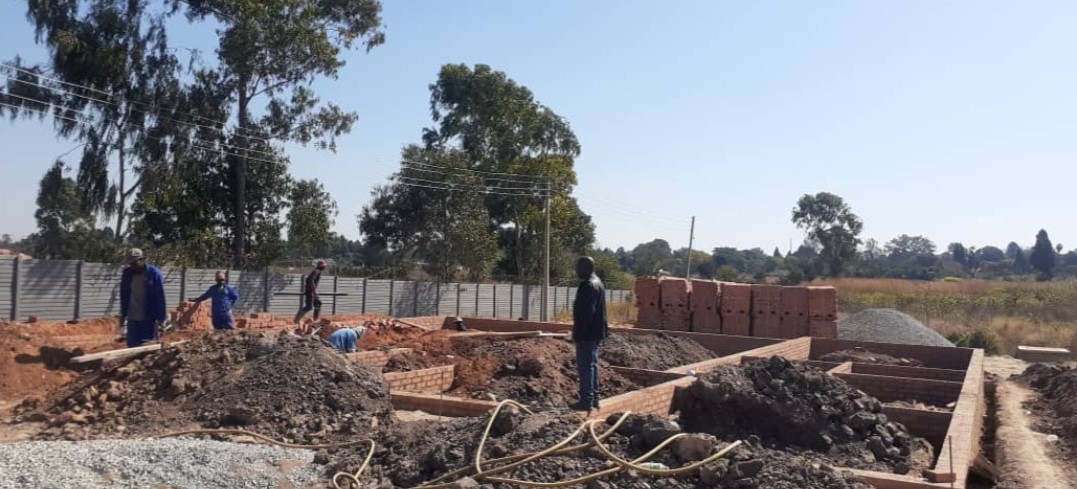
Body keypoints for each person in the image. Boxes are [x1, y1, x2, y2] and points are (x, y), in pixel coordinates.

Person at [570, 256, 608, 411]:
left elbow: (586, 313)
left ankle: (586, 401)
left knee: (586, 367)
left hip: (587, 333)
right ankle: (594, 399)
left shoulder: (588, 285)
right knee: (592, 365)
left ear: (587, 268)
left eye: (579, 267)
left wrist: (579, 333)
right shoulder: (598, 283)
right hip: (597, 332)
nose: (576, 270)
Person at [118, 248, 168, 347]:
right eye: (130, 264)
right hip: (132, 318)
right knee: (132, 346)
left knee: (147, 346)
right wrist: (123, 315)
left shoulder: (154, 274)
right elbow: (124, 295)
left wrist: (162, 319)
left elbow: (160, 297)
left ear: (142, 260)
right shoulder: (127, 274)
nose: (133, 267)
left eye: (134, 263)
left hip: (148, 318)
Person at [294, 259, 327, 324]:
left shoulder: (318, 271)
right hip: (310, 291)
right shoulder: (316, 271)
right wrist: (314, 290)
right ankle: (297, 319)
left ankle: (315, 319)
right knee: (309, 306)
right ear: (320, 266)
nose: (324, 267)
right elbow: (310, 279)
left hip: (312, 291)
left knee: (318, 303)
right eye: (323, 265)